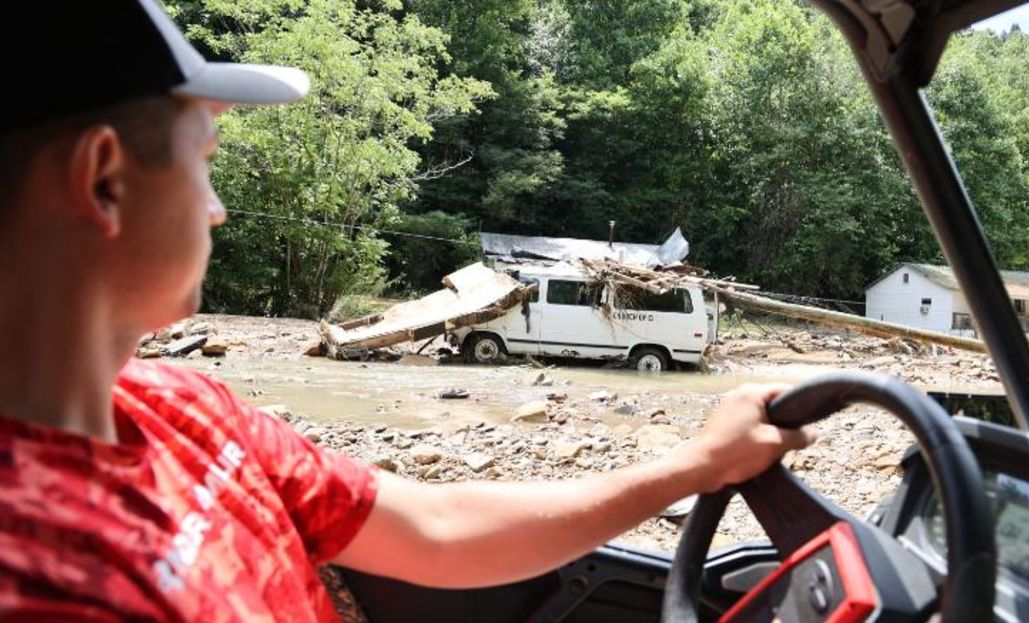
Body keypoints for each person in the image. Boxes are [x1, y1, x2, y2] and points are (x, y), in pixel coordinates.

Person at [0, 2, 816, 621]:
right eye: (206, 161)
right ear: (104, 181)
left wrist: (697, 463)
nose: (216, 208)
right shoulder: (31, 573)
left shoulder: (187, 408)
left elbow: (434, 525)